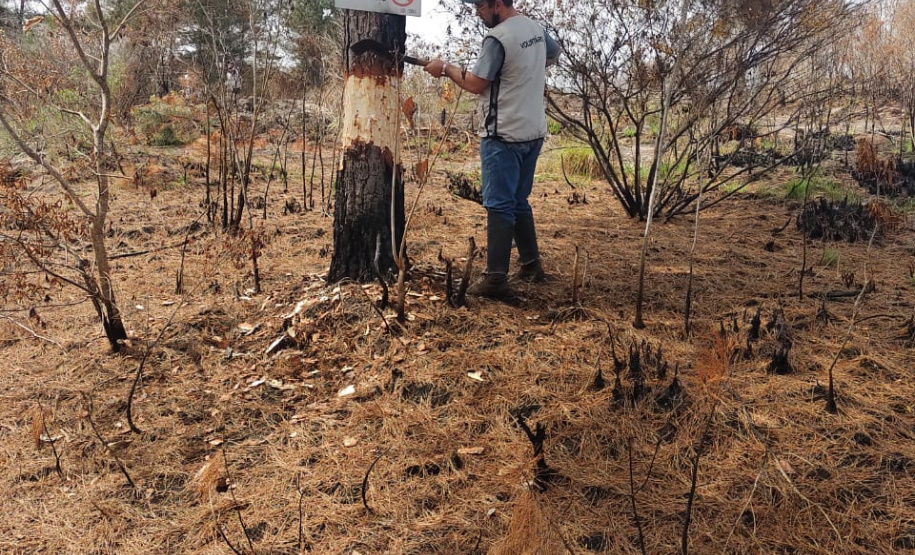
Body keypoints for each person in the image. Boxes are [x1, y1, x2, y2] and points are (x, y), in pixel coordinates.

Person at [424, 0, 560, 299]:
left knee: (499, 204)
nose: (477, 12)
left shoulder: (497, 38)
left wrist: (444, 68)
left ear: (498, 4)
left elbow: (474, 83)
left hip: (504, 134)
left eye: (481, 6)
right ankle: (531, 265)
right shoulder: (533, 28)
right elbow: (552, 54)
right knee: (518, 200)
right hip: (533, 130)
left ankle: (495, 280)